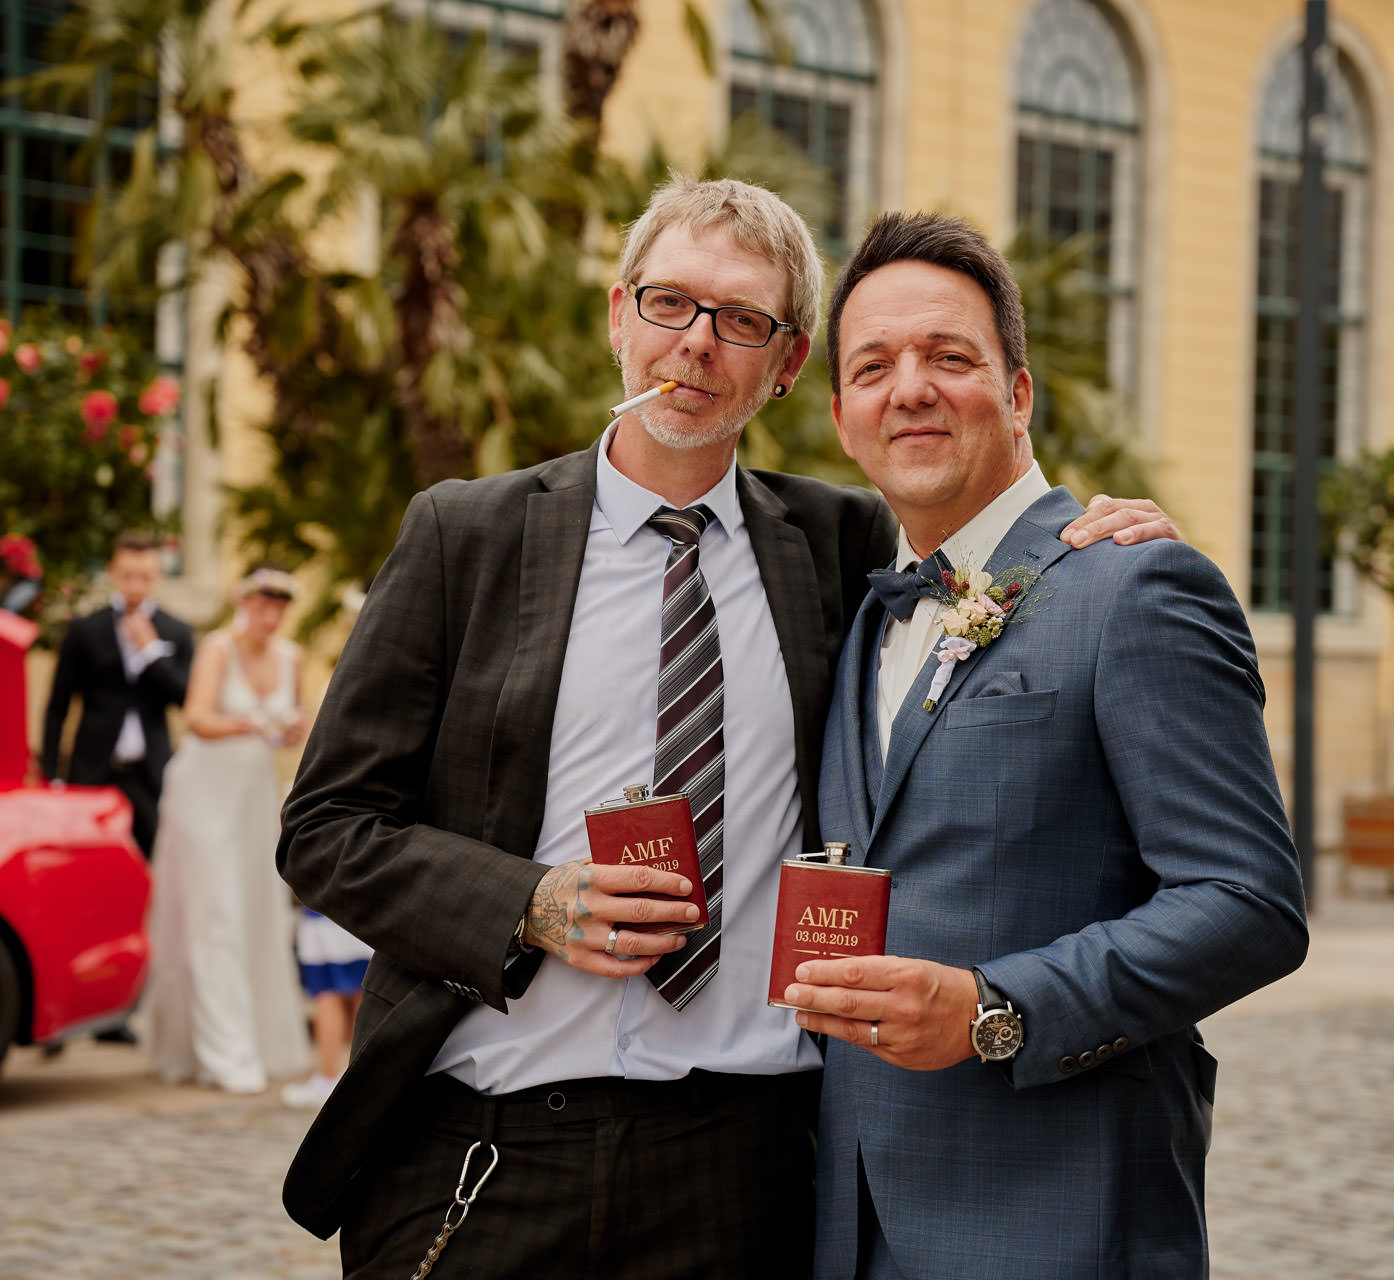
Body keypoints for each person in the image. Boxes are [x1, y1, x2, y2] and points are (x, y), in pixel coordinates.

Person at [276, 176, 1181, 1279]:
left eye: (743, 319)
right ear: (620, 316)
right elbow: (326, 827)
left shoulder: (843, 544)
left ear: (788, 364)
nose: (697, 343)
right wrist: (530, 902)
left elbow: (985, 539)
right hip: (483, 1147)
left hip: (743, 1167)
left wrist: (1094, 535)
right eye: (670, 303)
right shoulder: (464, 536)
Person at [780, 212, 1308, 1279]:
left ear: (1019, 393)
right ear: (841, 419)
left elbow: (1249, 902)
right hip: (852, 1226)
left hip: (1060, 1222)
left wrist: (995, 1008)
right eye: (873, 367)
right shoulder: (859, 613)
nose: (909, 389)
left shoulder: (1137, 586)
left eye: (949, 356)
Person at [145, 565, 312, 1094]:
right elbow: (197, 718)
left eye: (280, 606)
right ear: (245, 602)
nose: (271, 615)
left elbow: (292, 728)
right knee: (214, 913)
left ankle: (260, 1041)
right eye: (263, 604)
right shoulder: (217, 648)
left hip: (252, 796)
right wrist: (252, 723)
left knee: (257, 911)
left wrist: (290, 728)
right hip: (202, 792)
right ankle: (225, 1054)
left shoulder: (292, 657)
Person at [41, 530, 195, 861]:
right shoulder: (84, 630)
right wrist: (51, 775)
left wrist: (152, 653)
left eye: (145, 577)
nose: (136, 586)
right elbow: (58, 706)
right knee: (88, 860)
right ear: (112, 572)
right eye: (127, 576)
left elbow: (186, 699)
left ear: (158, 576)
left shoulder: (176, 631)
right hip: (93, 769)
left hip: (151, 773)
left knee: (153, 861)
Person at [282, 906, 373, 1110]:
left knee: (327, 992)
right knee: (364, 990)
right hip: (363, 912)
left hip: (327, 914)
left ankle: (327, 1076)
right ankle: (364, 1077)